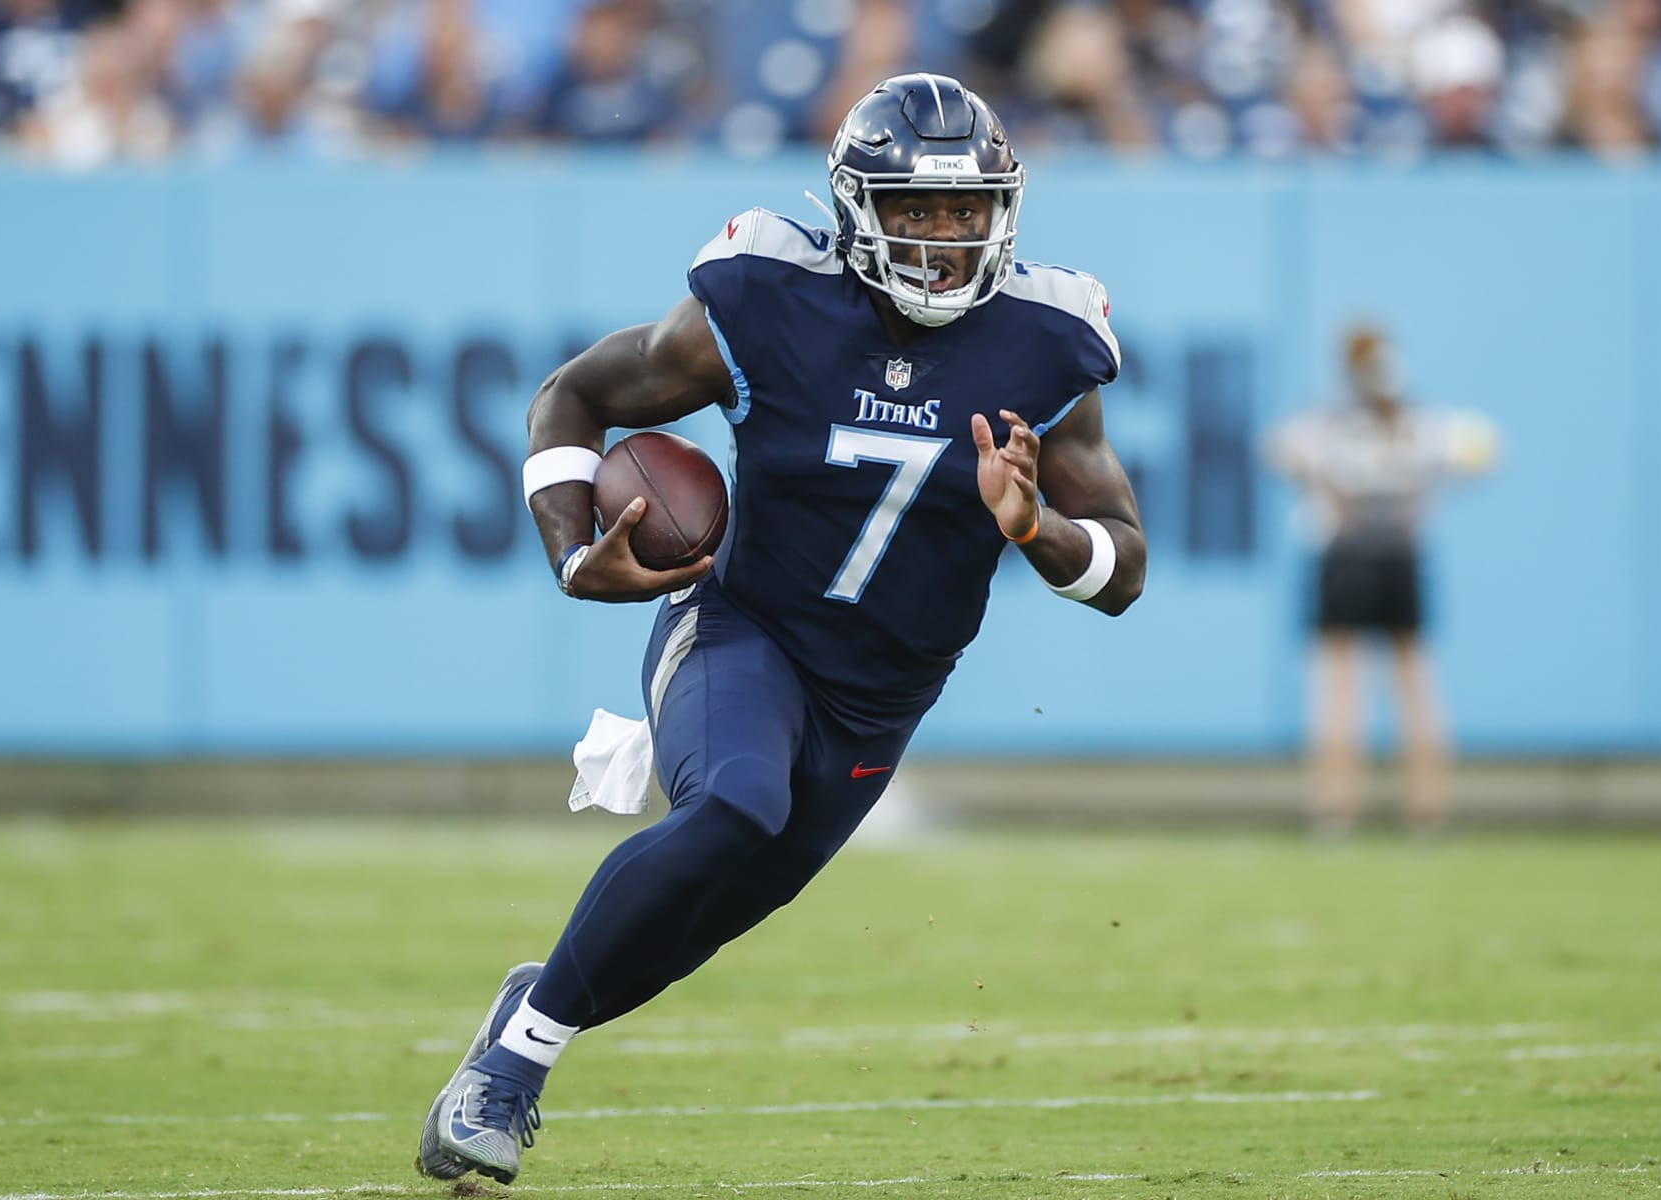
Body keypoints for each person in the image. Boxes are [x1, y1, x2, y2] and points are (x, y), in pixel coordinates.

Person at [415, 73, 1146, 1185]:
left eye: (964, 211)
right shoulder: (767, 295)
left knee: (691, 927)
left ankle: (536, 1004)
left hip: (883, 697)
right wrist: (573, 553)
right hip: (742, 628)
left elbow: (1123, 572)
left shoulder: (1049, 345)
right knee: (735, 805)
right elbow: (572, 395)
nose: (943, 238)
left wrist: (1036, 527)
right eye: (915, 211)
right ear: (858, 208)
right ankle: (502, 1078)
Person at [1265, 324, 1497, 836]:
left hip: (1343, 556)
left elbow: (1280, 451)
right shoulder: (1424, 424)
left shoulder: (1326, 422)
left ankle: (1335, 810)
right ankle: (1427, 810)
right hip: (1401, 555)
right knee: (1415, 684)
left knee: (1338, 688)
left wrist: (1325, 481)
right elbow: (1483, 451)